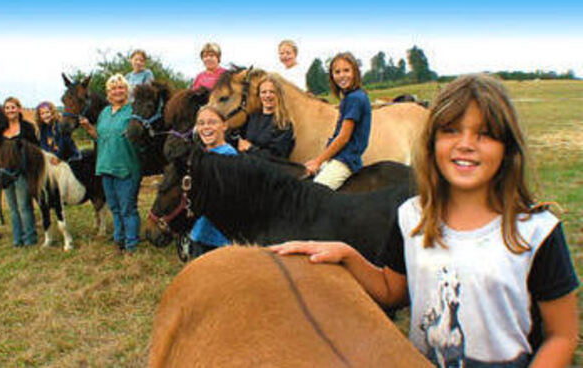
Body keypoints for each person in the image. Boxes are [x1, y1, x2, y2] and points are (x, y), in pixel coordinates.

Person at [271, 74, 579, 367]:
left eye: (484, 134)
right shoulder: (411, 217)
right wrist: (346, 255)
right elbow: (394, 290)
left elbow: (561, 335)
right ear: (431, 143)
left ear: (507, 148)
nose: (465, 144)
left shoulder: (537, 231)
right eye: (451, 130)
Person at [79, 74, 142, 253]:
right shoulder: (105, 113)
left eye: (121, 87)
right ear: (108, 93)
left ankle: (131, 245)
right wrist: (88, 128)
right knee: (114, 208)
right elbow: (101, 137)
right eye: (113, 88)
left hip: (127, 167)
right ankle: (119, 240)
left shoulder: (133, 112)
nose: (117, 91)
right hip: (106, 166)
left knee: (128, 208)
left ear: (127, 91)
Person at [304, 52, 371, 190]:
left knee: (314, 193)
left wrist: (318, 161)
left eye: (346, 70)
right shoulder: (349, 97)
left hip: (345, 161)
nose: (342, 76)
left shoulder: (355, 99)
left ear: (355, 72)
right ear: (332, 76)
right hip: (339, 157)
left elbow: (343, 138)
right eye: (337, 72)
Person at [189, 105, 237, 258]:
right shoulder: (204, 154)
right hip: (200, 233)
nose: (206, 127)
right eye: (201, 123)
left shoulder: (228, 157)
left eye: (212, 122)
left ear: (224, 125)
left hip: (219, 241)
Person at [2, 96, 39, 247]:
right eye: (7, 108)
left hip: (22, 173)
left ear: (19, 109)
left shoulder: (27, 128)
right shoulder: (0, 129)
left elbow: (35, 149)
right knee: (12, 208)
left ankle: (30, 238)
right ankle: (17, 239)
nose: (10, 110)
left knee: (24, 206)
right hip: (5, 173)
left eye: (13, 107)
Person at [235, 74, 294, 159]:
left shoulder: (284, 123)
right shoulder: (252, 117)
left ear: (279, 95)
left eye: (272, 92)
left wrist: (250, 148)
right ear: (259, 95)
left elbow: (278, 157)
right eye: (263, 92)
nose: (267, 96)